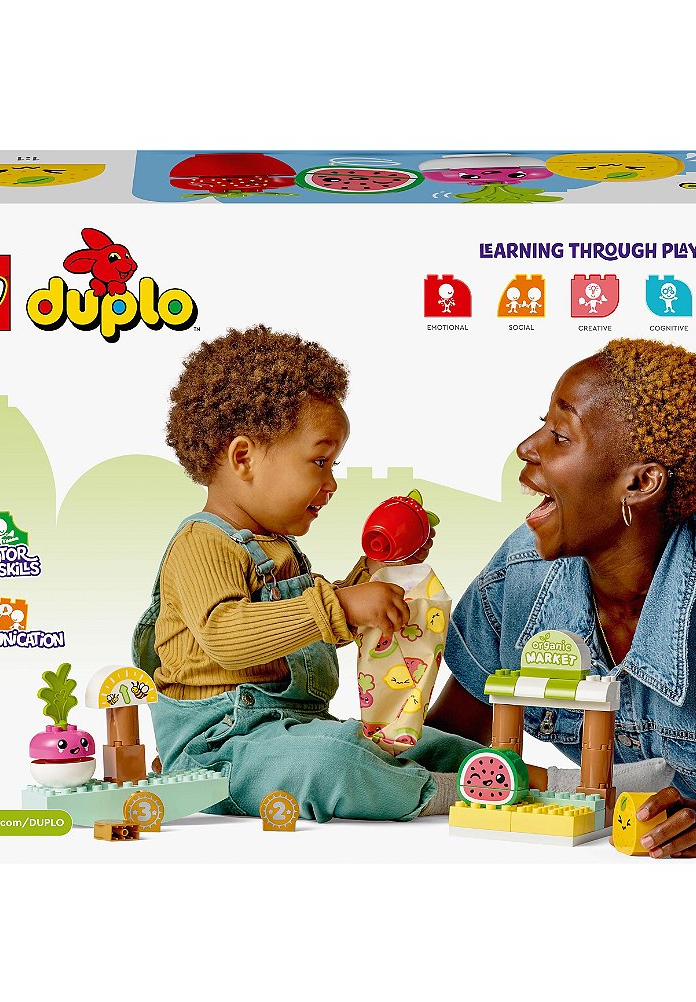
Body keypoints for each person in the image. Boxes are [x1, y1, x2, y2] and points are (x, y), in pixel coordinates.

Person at [428, 338, 696, 856]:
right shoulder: (523, 571)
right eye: (542, 425)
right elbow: (446, 747)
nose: (527, 447)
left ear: (640, 483)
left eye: (561, 435)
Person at [132, 325, 485, 821]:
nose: (332, 482)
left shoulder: (278, 549)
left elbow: (310, 630)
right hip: (221, 750)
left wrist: (378, 578)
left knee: (426, 740)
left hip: (293, 729)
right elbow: (227, 637)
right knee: (335, 761)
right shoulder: (201, 544)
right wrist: (340, 605)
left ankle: (545, 781)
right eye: (320, 461)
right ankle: (448, 793)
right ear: (243, 458)